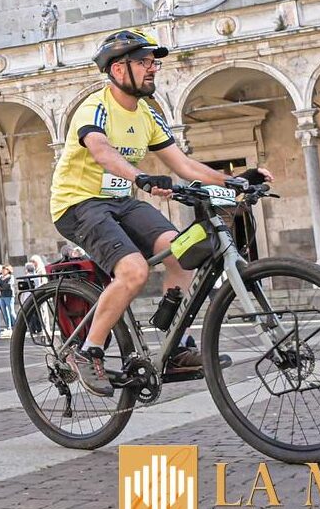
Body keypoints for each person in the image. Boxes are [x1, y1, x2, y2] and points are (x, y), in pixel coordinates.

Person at [48, 29, 269, 396]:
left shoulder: (148, 114)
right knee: (133, 270)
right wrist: (141, 176)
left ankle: (176, 343)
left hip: (120, 201)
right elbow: (101, 151)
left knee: (183, 253)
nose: (153, 69)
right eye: (144, 62)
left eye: (154, 62)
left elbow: (183, 164)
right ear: (119, 70)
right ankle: (88, 352)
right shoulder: (95, 107)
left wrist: (234, 182)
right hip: (78, 203)